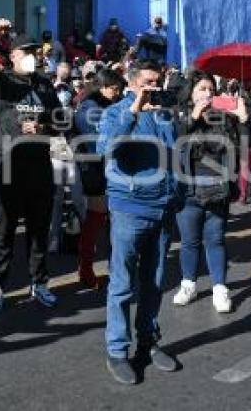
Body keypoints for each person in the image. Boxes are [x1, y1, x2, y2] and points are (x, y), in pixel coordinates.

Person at [97, 58, 180, 386]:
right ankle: (117, 350)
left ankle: (148, 341)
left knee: (155, 281)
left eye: (157, 82)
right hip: (130, 208)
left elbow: (174, 154)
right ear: (131, 83)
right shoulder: (115, 112)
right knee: (122, 284)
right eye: (147, 82)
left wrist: (178, 193)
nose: (154, 87)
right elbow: (107, 148)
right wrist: (135, 109)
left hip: (163, 207)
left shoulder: (162, 113)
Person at [0, 19, 64, 311]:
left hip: (39, 168)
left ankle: (39, 283)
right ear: (12, 55)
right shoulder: (1, 81)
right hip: (6, 169)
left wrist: (43, 127)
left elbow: (62, 121)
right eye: (24, 51)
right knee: (2, 232)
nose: (32, 56)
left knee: (38, 231)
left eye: (34, 51)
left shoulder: (44, 84)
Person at [173, 70, 248, 313]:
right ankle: (188, 284)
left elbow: (246, 147)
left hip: (218, 190)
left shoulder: (223, 118)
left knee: (215, 240)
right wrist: (194, 115)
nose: (207, 94)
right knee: (189, 241)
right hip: (189, 191)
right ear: (191, 93)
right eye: (202, 89)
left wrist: (243, 119)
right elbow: (175, 141)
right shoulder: (180, 115)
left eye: (210, 90)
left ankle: (219, 288)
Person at [74, 69, 125, 288]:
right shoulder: (89, 109)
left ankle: (113, 267)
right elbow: (101, 143)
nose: (117, 93)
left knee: (110, 220)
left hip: (106, 167)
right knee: (96, 219)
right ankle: (86, 268)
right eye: (114, 89)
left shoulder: (103, 105)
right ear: (102, 86)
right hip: (95, 168)